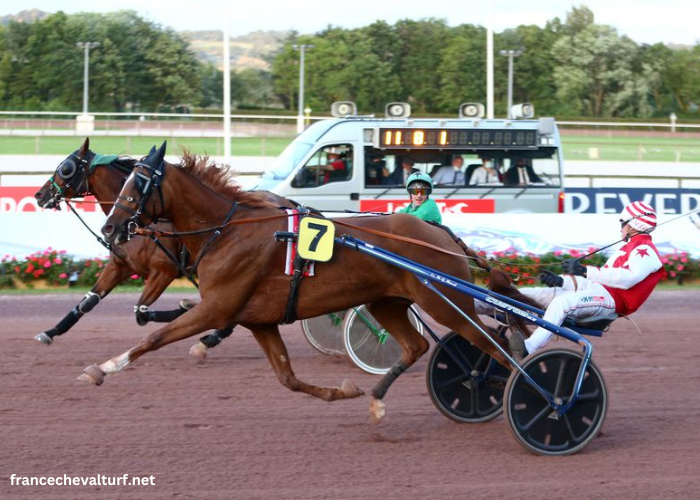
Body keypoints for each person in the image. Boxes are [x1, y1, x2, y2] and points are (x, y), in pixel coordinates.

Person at [508, 201, 666, 360]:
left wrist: (584, 270)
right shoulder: (629, 248)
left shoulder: (645, 251)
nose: (621, 228)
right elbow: (597, 282)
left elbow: (626, 279)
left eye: (623, 223)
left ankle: (528, 347)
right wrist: (562, 281)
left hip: (611, 301)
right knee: (527, 293)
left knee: (561, 303)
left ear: (632, 226)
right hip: (598, 293)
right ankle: (483, 308)